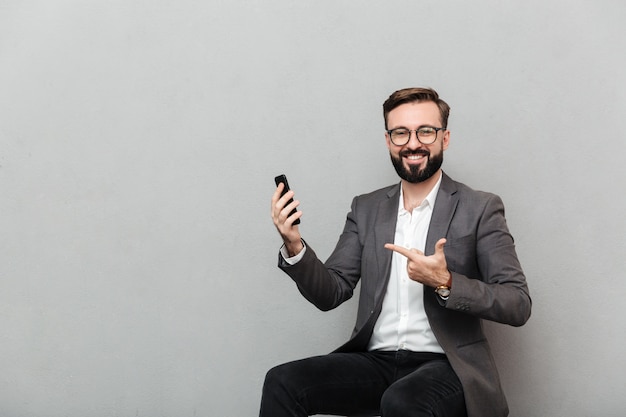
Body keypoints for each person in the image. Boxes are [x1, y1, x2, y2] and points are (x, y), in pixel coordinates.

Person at [261, 87, 531, 417]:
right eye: (401, 133)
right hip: (376, 361)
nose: (412, 143)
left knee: (403, 401)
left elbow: (517, 303)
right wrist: (293, 244)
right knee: (283, 382)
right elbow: (331, 291)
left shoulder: (480, 207)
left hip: (447, 365)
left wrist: (445, 282)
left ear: (444, 138)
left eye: (425, 131)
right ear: (389, 141)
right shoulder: (367, 208)